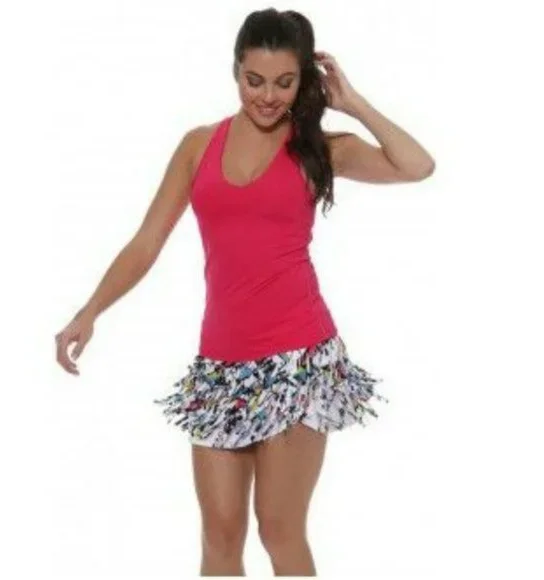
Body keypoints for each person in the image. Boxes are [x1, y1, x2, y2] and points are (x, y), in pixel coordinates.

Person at [54, 7, 435, 576]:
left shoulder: (319, 149)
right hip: (220, 367)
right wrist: (90, 311)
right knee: (219, 537)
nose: (268, 96)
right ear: (235, 71)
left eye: (285, 82)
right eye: (254, 80)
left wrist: (353, 103)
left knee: (279, 530)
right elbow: (147, 241)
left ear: (304, 81)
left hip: (298, 362)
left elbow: (417, 165)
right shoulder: (198, 146)